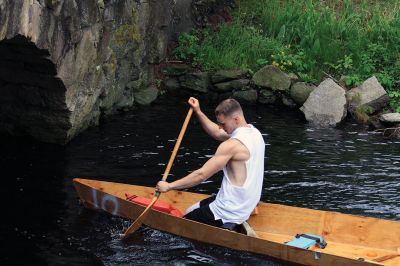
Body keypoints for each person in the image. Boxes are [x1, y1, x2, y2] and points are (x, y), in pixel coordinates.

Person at [156, 97, 265, 231]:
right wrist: (198, 111)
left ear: (236, 119)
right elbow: (217, 133)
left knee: (180, 226)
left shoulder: (231, 145)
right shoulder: (255, 133)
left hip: (228, 211)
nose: (220, 127)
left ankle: (231, 226)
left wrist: (169, 186)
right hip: (245, 204)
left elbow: (201, 175)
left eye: (223, 124)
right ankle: (236, 222)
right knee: (190, 210)